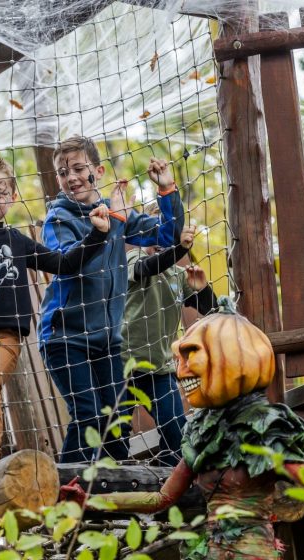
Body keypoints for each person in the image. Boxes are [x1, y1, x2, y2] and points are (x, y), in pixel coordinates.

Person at [0, 157, 110, 462]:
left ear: (12, 196)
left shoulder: (17, 241)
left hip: (2, 337)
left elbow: (63, 264)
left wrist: (97, 235)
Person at [38, 136, 184, 463]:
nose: (71, 177)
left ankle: (116, 490)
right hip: (66, 336)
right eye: (63, 172)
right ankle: (70, 493)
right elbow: (70, 262)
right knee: (88, 414)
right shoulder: (59, 219)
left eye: (78, 168)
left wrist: (166, 191)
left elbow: (167, 236)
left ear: (98, 171)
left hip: (107, 339)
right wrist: (110, 226)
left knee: (116, 421)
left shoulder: (116, 212)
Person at [122, 211, 218, 466]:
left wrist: (202, 289)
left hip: (159, 368)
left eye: (170, 231)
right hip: (123, 366)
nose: (163, 236)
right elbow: (148, 267)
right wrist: (177, 249)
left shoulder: (178, 275)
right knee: (116, 435)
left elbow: (212, 309)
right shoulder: (134, 259)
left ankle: (167, 480)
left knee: (176, 433)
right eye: (157, 230)